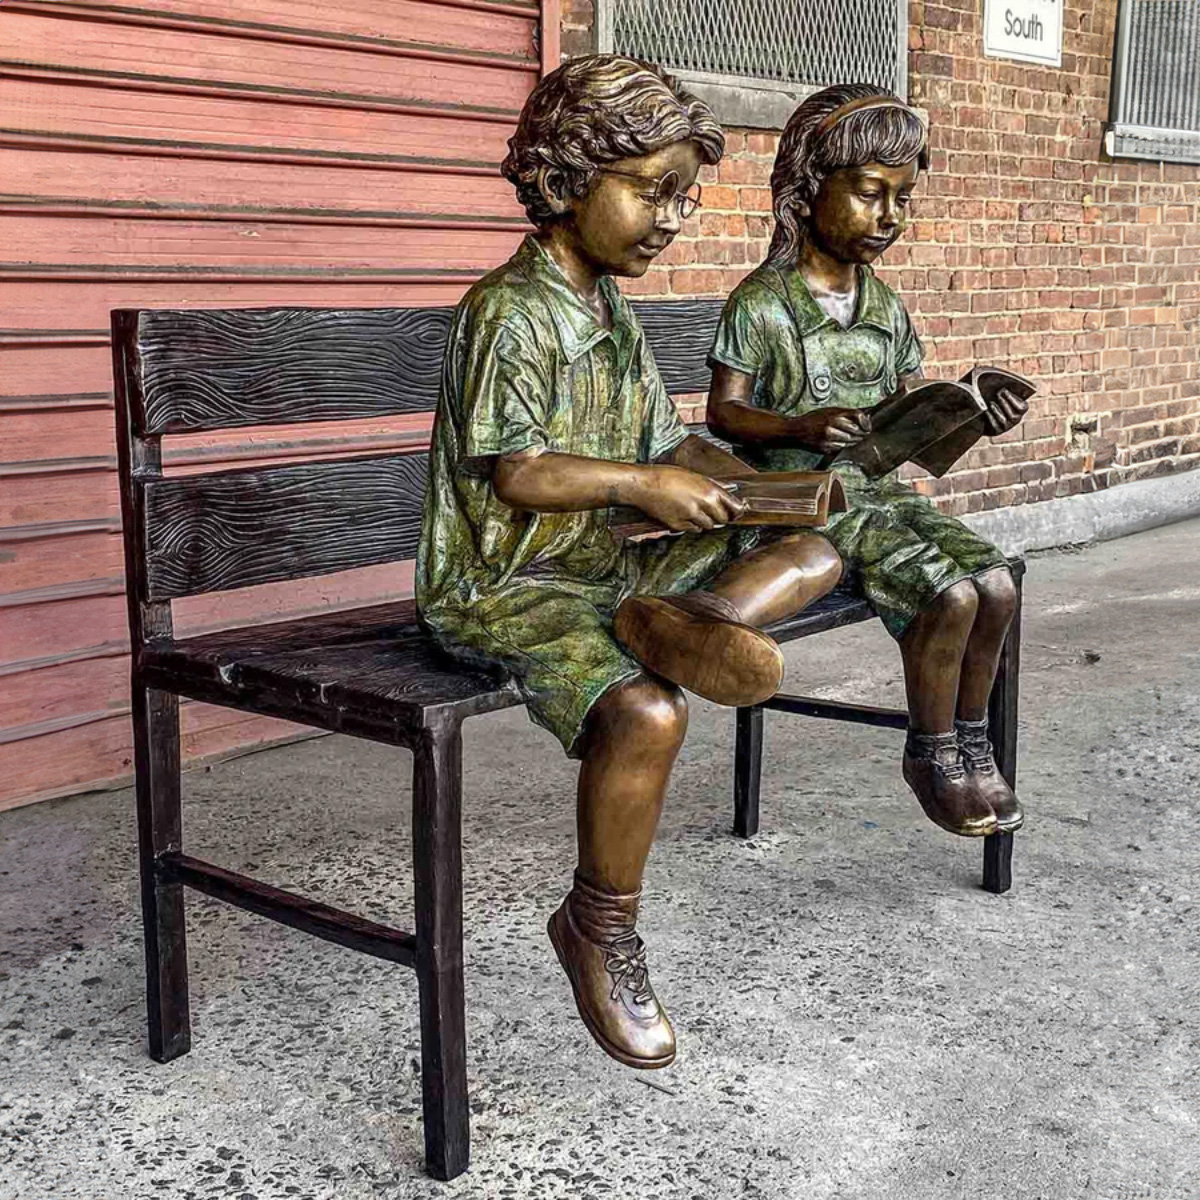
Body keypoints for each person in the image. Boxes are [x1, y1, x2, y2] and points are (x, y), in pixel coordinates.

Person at [416, 55, 843, 1070]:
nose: (670, 219)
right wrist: (641, 487)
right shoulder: (509, 312)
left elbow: (670, 447)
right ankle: (598, 929)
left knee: (816, 543)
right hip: (503, 585)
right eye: (650, 192)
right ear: (566, 178)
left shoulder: (613, 313)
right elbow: (518, 471)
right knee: (648, 710)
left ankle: (706, 619)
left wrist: (757, 488)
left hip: (601, 567)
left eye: (682, 201)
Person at [707, 83, 1029, 843]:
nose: (890, 216)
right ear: (810, 188)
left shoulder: (885, 308)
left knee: (997, 583)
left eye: (903, 198)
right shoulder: (763, 302)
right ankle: (931, 752)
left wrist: (975, 416)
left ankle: (972, 738)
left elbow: (907, 419)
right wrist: (798, 422)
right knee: (948, 597)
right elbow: (724, 413)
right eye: (870, 194)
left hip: (879, 494)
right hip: (806, 504)